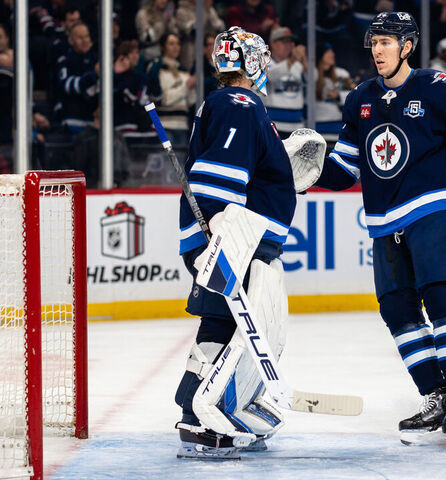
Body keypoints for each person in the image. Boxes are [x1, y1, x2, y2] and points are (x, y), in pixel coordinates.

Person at [293, 11, 446, 448]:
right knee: (397, 311)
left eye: (385, 42)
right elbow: (344, 168)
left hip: (435, 208)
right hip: (385, 222)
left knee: (442, 298)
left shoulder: (440, 88)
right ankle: (435, 395)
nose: (377, 50)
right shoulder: (359, 98)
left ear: (407, 46)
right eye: (373, 42)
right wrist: (302, 175)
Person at [173, 26, 296, 458]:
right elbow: (219, 177)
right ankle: (202, 413)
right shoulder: (240, 103)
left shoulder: (230, 104)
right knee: (239, 326)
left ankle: (196, 406)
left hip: (226, 234)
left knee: (222, 323)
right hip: (230, 237)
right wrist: (220, 238)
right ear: (250, 63)